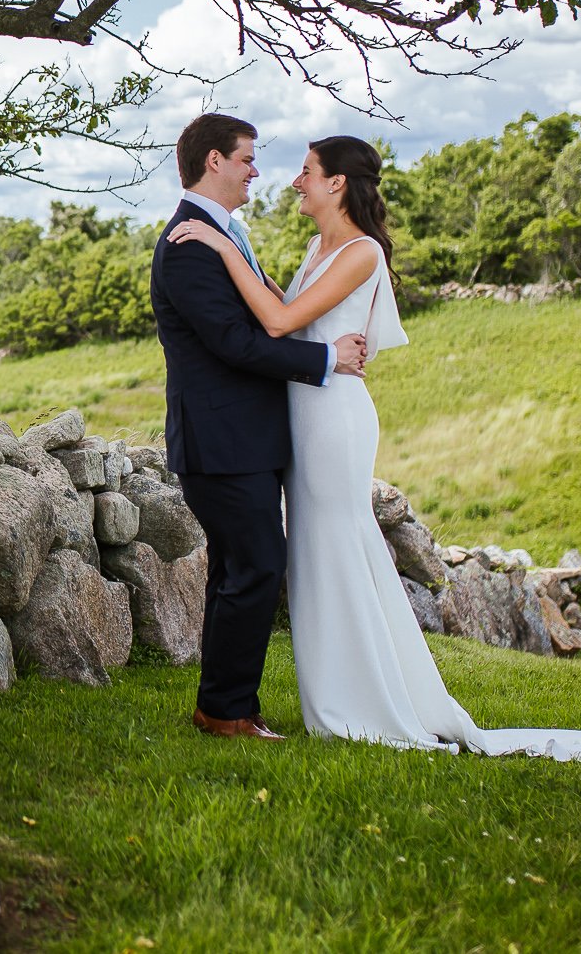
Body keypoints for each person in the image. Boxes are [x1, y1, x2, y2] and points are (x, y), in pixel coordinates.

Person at [168, 134, 581, 763]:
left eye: (306, 171)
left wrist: (222, 244)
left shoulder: (363, 251)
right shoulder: (317, 249)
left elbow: (277, 322)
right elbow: (285, 308)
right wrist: (237, 250)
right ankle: (328, 690)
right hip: (303, 416)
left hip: (333, 419)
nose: (293, 181)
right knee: (318, 556)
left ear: (337, 182)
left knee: (341, 548)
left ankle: (368, 698)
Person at [151, 114, 368, 741]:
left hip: (245, 438)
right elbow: (233, 343)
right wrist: (325, 359)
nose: (256, 171)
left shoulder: (227, 233)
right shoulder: (188, 246)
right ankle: (228, 710)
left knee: (238, 569)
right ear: (214, 161)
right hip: (221, 441)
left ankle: (222, 707)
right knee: (257, 567)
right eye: (247, 158)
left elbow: (269, 313)